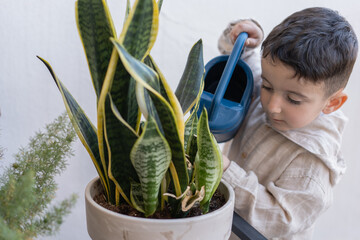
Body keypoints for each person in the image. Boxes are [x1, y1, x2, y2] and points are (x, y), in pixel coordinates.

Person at [218, 7, 358, 239]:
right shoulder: (274, 87)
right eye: (266, 86)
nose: (272, 105)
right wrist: (244, 38)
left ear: (332, 103)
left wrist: (226, 172)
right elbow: (236, 59)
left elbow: (280, 219)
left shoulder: (313, 163)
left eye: (293, 99)